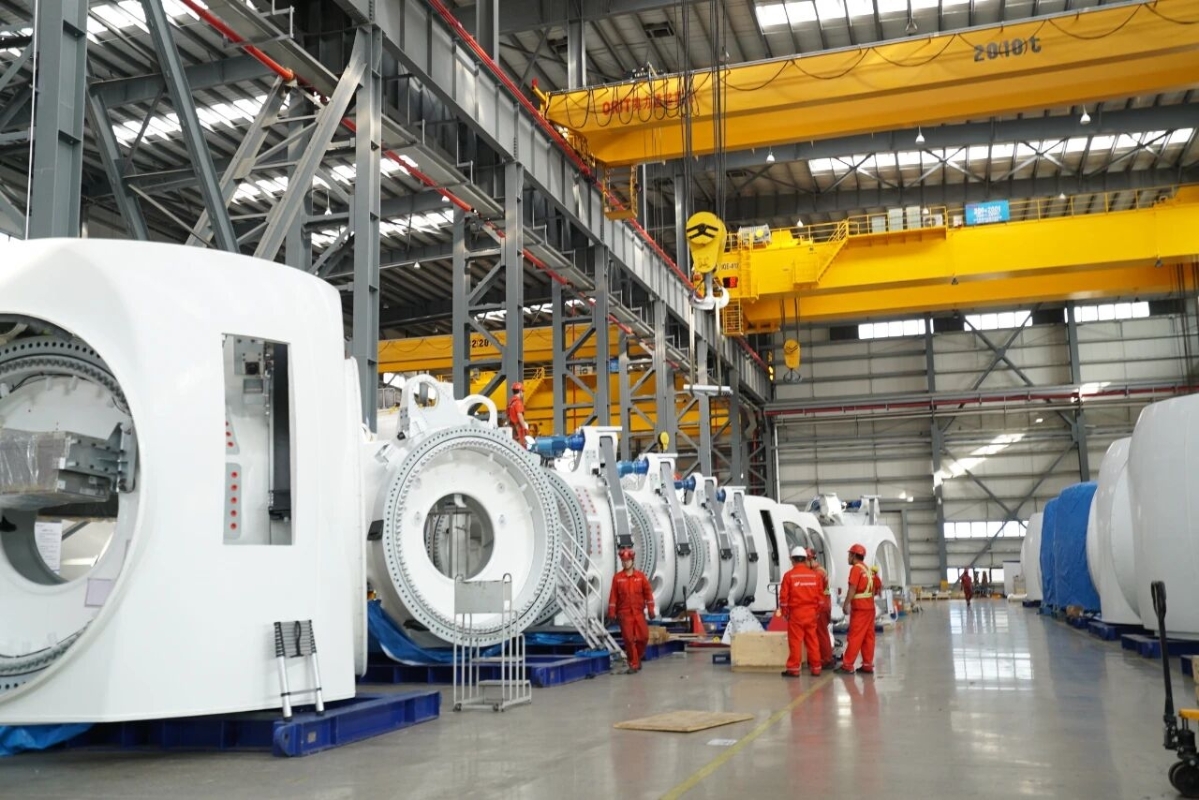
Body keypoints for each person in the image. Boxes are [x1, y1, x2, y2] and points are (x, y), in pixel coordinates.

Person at [607, 547, 655, 674]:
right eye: (623, 561)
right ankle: (633, 664)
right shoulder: (617, 578)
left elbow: (648, 593)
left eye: (627, 560)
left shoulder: (640, 577)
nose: (625, 563)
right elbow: (613, 596)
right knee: (629, 640)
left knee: (643, 637)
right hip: (624, 614)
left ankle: (636, 658)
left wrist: (651, 609)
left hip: (638, 613)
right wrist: (611, 612)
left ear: (632, 561)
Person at [777, 546, 824, 677]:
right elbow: (821, 599)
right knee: (812, 641)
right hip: (811, 614)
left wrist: (785, 613)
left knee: (795, 642)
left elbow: (783, 598)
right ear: (805, 559)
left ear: (792, 560)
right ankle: (816, 668)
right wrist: (816, 612)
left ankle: (793, 669)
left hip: (796, 614)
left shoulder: (789, 576)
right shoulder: (815, 576)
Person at [837, 543, 875, 675]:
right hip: (870, 607)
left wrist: (845, 604)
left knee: (855, 637)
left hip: (860, 608)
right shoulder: (867, 569)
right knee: (868, 637)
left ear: (853, 555)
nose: (848, 557)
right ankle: (867, 665)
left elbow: (852, 588)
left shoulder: (856, 569)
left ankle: (847, 665)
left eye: (849, 555)